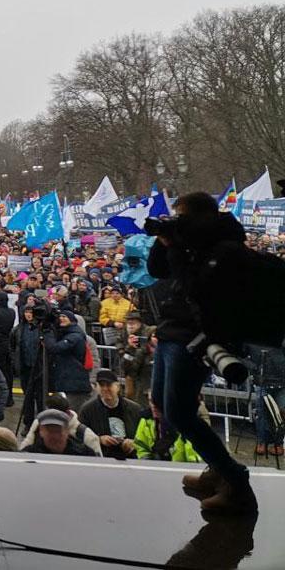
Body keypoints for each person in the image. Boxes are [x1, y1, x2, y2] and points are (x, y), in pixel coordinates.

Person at [148, 192, 256, 512]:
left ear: (198, 217)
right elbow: (157, 270)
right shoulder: (188, 243)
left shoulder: (225, 248)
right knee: (164, 403)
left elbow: (195, 285)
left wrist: (179, 247)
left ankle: (235, 480)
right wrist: (166, 240)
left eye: (180, 217)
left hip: (195, 337)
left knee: (180, 412)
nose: (176, 222)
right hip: (172, 330)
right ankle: (217, 471)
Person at [78, 369, 142, 459]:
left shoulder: (135, 409)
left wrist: (134, 443)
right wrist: (98, 440)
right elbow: (80, 438)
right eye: (101, 385)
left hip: (130, 458)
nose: (105, 388)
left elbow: (145, 439)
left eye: (108, 385)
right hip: (102, 458)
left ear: (118, 387)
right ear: (96, 387)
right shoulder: (87, 410)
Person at [18, 393, 103, 456]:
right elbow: (22, 454)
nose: (53, 435)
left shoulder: (88, 438)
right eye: (48, 430)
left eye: (57, 430)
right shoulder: (37, 424)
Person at [46, 307, 92, 412]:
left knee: (72, 412)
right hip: (66, 380)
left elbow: (55, 348)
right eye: (60, 316)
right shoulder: (64, 334)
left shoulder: (75, 336)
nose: (61, 319)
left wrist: (48, 332)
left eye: (64, 316)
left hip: (74, 383)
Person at [134, 400, 201, 462]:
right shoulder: (146, 420)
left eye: (158, 400)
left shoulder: (186, 424)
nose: (153, 405)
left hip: (181, 469)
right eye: (151, 400)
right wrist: (148, 464)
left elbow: (194, 459)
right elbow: (141, 447)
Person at [21, 409, 97, 456]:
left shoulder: (84, 454)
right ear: (41, 432)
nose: (55, 436)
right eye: (50, 431)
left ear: (67, 431)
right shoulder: (28, 455)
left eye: (58, 431)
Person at [119, 312, 154, 407]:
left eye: (133, 322)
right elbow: (126, 364)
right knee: (131, 399)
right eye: (128, 322)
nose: (130, 325)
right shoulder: (124, 333)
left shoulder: (148, 331)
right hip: (134, 375)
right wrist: (127, 349)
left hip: (148, 376)